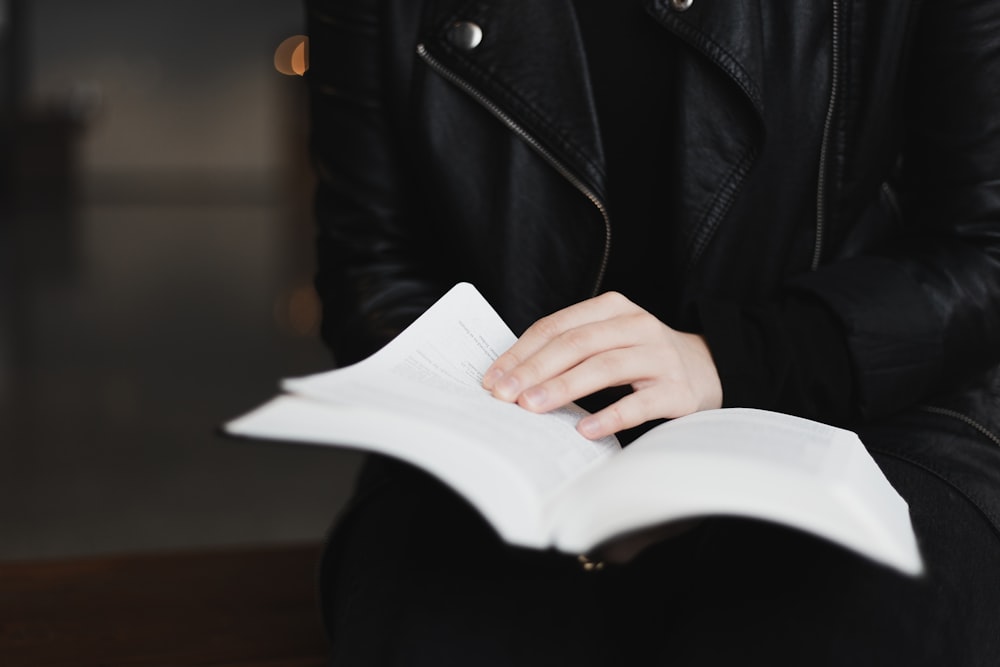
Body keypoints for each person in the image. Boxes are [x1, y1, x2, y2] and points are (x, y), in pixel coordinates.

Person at [304, 1, 1000, 664]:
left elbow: (983, 246)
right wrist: (519, 439)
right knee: (444, 623)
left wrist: (732, 357)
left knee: (851, 608)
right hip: (509, 427)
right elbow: (370, 263)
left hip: (868, 404)